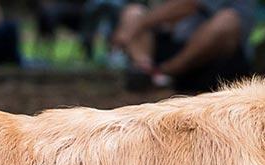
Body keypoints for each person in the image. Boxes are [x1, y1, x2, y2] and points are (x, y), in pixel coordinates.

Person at [110, 0, 256, 94]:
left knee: (227, 20)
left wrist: (136, 26)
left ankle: (165, 73)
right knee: (133, 12)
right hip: (172, 44)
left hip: (215, 60)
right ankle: (146, 72)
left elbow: (188, 5)